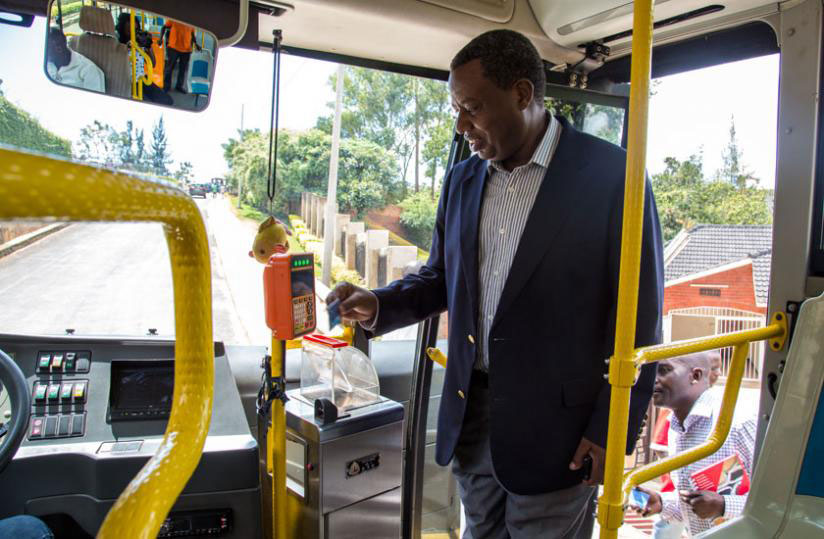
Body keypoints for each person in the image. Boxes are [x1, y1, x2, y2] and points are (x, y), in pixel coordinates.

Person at [326, 29, 664, 537]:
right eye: (457, 111)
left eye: (473, 108)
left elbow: (640, 320)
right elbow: (442, 277)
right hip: (473, 416)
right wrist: (377, 304)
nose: (463, 126)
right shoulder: (463, 179)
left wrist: (609, 431)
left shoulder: (613, 176)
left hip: (561, 433)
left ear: (522, 95)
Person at [633, 352, 755, 538]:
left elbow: (778, 500)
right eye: (650, 372)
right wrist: (661, 502)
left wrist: (724, 505)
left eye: (664, 371)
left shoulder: (737, 422)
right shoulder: (676, 427)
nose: (653, 380)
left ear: (695, 376)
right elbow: (695, 502)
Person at [114, 14, 173, 106]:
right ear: (122, 31)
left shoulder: (140, 41)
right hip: (127, 81)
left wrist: (148, 46)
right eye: (129, 31)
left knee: (167, 101)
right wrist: (127, 47)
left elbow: (152, 64)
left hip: (141, 78)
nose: (133, 33)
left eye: (135, 30)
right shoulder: (117, 43)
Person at [46, 27, 105, 93]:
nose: (43, 54)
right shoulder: (46, 64)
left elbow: (94, 101)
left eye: (47, 50)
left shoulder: (89, 70)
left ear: (59, 48)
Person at [160, 19, 201, 94]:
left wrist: (196, 43)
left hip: (186, 50)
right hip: (173, 47)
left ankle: (179, 86)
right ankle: (166, 86)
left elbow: (192, 34)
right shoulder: (174, 18)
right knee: (169, 68)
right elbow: (164, 27)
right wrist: (160, 39)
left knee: (182, 69)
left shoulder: (192, 21)